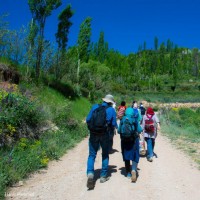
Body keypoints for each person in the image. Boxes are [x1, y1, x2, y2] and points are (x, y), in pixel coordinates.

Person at [86, 94, 118, 189]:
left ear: (104, 100)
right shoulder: (111, 110)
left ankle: (90, 174)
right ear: (111, 102)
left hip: (94, 134)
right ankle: (103, 176)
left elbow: (88, 119)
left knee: (92, 155)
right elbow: (113, 124)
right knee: (105, 154)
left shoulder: (95, 107)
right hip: (105, 135)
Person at [118, 107, 142, 182]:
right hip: (134, 141)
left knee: (126, 155)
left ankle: (128, 173)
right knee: (135, 155)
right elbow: (140, 130)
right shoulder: (134, 119)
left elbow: (119, 131)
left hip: (124, 141)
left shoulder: (122, 119)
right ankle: (134, 170)